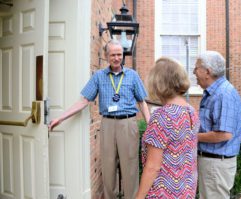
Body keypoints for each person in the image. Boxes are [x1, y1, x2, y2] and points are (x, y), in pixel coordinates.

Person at [48, 39, 150, 199]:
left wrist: (150, 125)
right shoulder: (99, 76)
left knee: (130, 167)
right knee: (108, 167)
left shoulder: (132, 75)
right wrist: (60, 118)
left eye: (119, 54)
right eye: (113, 55)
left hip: (128, 123)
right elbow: (84, 101)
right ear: (106, 56)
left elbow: (142, 102)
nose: (117, 58)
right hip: (107, 124)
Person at [135, 57, 199, 199]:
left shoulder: (162, 116)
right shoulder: (191, 111)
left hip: (164, 192)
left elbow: (153, 167)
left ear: (157, 83)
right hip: (187, 189)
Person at [193, 51, 241, 199]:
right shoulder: (216, 92)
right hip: (213, 164)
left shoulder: (223, 94)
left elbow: (224, 134)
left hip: (215, 165)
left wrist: (191, 136)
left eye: (196, 68)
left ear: (207, 71)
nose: (194, 72)